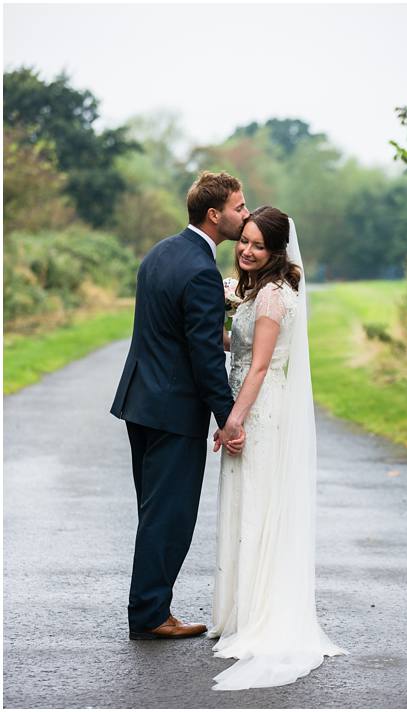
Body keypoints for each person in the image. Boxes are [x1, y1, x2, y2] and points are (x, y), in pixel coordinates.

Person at [207, 206, 345, 690]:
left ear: (277, 251)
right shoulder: (258, 292)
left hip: (261, 412)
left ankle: (261, 614)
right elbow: (240, 349)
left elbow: (261, 367)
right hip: (252, 402)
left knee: (259, 506)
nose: (246, 250)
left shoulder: (271, 297)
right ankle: (241, 610)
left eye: (257, 245)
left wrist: (234, 421)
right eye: (243, 240)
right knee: (246, 502)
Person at [111, 171, 248, 640]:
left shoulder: (160, 253)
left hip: (139, 402)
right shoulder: (202, 272)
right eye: (239, 207)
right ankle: (150, 614)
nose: (245, 215)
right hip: (173, 412)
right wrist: (228, 419)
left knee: (153, 512)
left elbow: (166, 334)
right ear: (215, 215)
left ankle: (150, 607)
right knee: (168, 516)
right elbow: (204, 357)